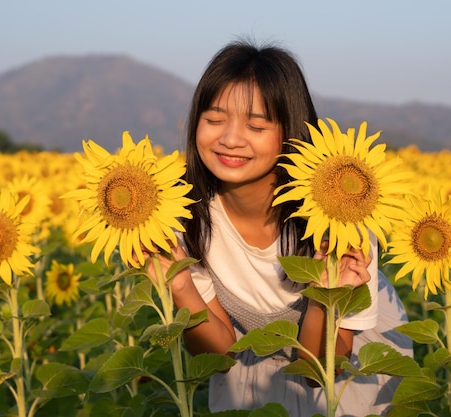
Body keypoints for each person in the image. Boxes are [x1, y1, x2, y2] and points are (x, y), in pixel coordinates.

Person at [146, 40, 413, 416]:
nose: (231, 139)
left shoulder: (339, 215)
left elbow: (321, 371)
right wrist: (180, 285)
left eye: (256, 125)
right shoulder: (185, 216)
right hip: (251, 357)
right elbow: (218, 355)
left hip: (342, 359)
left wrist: (326, 295)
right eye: (215, 119)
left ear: (290, 132)